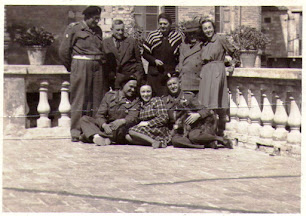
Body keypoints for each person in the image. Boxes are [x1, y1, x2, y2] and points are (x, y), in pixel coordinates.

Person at [59, 6, 106, 142]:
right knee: (79, 99)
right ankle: (75, 132)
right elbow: (63, 51)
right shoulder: (74, 28)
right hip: (81, 65)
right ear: (86, 17)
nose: (96, 21)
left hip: (97, 66)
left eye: (98, 18)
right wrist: (73, 67)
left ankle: (92, 131)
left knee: (96, 99)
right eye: (94, 18)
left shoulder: (98, 30)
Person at [162, 74, 233, 149]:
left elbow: (207, 110)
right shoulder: (165, 100)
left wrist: (198, 114)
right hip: (178, 131)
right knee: (175, 141)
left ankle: (219, 139)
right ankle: (204, 144)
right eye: (169, 85)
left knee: (193, 136)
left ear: (179, 83)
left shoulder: (188, 97)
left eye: (174, 83)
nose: (172, 86)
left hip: (193, 128)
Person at [198, 18, 240, 136]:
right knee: (205, 102)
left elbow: (235, 51)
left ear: (213, 28)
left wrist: (233, 64)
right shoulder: (204, 43)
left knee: (214, 103)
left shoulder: (220, 39)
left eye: (209, 27)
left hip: (216, 71)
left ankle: (214, 132)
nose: (207, 30)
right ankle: (207, 132)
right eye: (205, 28)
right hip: (206, 72)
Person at [79, 75, 140, 146]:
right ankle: (97, 137)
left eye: (135, 88)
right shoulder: (109, 96)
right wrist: (104, 125)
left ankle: (92, 135)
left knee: (121, 130)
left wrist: (121, 121)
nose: (133, 90)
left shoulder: (136, 100)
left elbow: (133, 117)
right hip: (107, 127)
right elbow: (100, 115)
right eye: (131, 86)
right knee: (84, 119)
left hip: (120, 128)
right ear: (123, 84)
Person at [143, 13, 183, 96]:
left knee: (168, 96)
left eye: (165, 24)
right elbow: (145, 54)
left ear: (170, 24)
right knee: (155, 96)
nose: (162, 26)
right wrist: (154, 60)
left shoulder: (177, 37)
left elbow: (180, 55)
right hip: (154, 73)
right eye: (160, 24)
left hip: (169, 72)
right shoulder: (152, 36)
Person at [103, 19, 145, 90]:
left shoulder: (132, 42)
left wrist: (138, 77)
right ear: (112, 29)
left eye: (122, 30)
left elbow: (139, 62)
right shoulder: (105, 43)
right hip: (113, 80)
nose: (120, 32)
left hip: (130, 79)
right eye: (118, 30)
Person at [126, 84, 171, 149]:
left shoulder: (156, 100)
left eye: (148, 91)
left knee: (131, 131)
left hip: (158, 128)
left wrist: (148, 123)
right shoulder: (140, 104)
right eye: (143, 92)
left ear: (152, 92)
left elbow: (164, 117)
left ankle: (153, 142)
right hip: (146, 130)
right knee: (128, 137)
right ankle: (158, 143)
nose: (146, 94)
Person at [176, 20, 203, 94]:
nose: (192, 36)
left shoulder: (203, 46)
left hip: (197, 85)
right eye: (189, 34)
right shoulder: (183, 46)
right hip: (184, 84)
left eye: (194, 33)